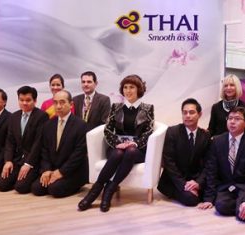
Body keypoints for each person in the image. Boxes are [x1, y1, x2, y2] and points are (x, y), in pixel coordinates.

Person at [78, 74, 154, 212]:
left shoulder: (148, 108)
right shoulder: (116, 107)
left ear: (139, 89)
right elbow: (107, 129)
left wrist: (134, 143)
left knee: (129, 151)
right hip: (117, 147)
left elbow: (148, 132)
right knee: (119, 153)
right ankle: (95, 191)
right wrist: (118, 143)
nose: (128, 90)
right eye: (125, 87)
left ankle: (109, 189)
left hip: (137, 149)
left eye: (132, 87)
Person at [198, 106, 245, 222]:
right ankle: (240, 205)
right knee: (221, 206)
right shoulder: (217, 141)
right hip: (227, 186)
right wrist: (208, 199)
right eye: (230, 118)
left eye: (237, 119)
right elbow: (211, 171)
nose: (232, 122)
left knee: (242, 214)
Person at [31, 90, 88, 197]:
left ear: (71, 104)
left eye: (62, 102)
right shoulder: (48, 125)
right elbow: (44, 151)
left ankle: (78, 185)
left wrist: (61, 172)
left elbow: (78, 155)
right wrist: (47, 170)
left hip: (73, 170)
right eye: (55, 102)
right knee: (36, 189)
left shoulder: (81, 125)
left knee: (54, 190)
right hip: (54, 168)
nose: (58, 106)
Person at [157, 98, 210, 206]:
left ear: (199, 114)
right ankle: (187, 192)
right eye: (184, 113)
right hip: (174, 180)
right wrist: (183, 185)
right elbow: (169, 163)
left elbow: (208, 163)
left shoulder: (205, 135)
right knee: (191, 199)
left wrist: (198, 183)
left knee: (215, 194)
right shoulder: (172, 132)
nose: (187, 116)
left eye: (191, 112)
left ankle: (194, 190)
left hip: (194, 179)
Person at [0, 86, 49, 193]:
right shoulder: (14, 116)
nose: (24, 103)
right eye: (21, 100)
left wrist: (28, 164)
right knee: (1, 185)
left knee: (21, 188)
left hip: (33, 161)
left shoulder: (42, 116)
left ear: (35, 101)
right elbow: (10, 141)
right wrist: (8, 161)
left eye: (28, 100)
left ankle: (30, 177)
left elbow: (38, 143)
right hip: (17, 159)